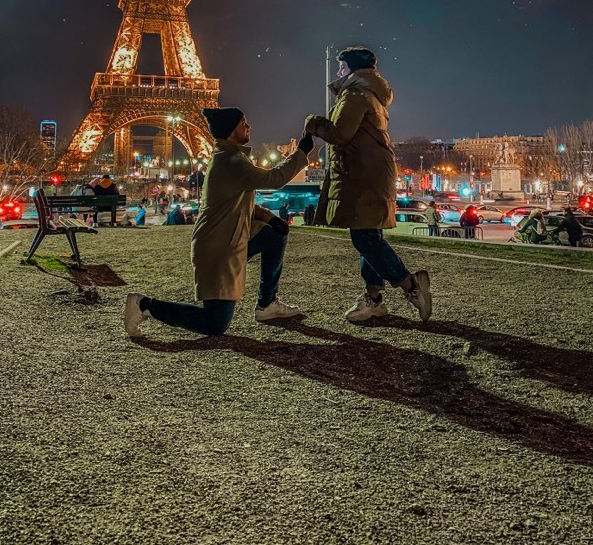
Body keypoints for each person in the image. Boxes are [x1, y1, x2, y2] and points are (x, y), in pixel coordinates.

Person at [124, 106, 313, 337]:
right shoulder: (231, 161)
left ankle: (267, 303)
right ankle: (143, 305)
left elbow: (242, 204)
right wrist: (301, 153)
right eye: (244, 122)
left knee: (275, 236)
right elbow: (275, 179)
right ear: (232, 129)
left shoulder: (230, 158)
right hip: (218, 249)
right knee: (214, 324)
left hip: (230, 239)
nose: (248, 126)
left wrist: (272, 219)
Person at [304, 46, 432, 323]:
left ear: (351, 69)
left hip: (361, 175)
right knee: (369, 237)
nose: (338, 72)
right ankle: (373, 298)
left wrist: (314, 124)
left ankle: (410, 284)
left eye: (341, 67)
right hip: (373, 173)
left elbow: (340, 134)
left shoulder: (354, 95)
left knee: (363, 238)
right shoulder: (373, 96)